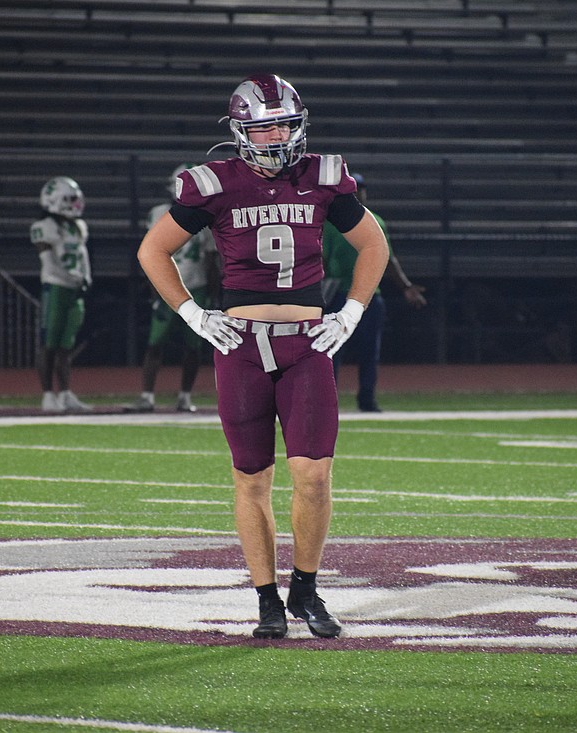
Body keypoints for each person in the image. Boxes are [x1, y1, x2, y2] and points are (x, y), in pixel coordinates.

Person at [136, 74, 389, 639]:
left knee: (315, 476)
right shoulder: (213, 183)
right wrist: (193, 314)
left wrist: (350, 312)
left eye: (285, 125)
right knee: (252, 478)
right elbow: (153, 249)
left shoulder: (323, 177)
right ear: (241, 131)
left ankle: (305, 587)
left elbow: (373, 244)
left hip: (307, 343)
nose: (277, 138)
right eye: (265, 127)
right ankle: (265, 601)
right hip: (241, 345)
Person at [322, 172, 427, 412]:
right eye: (354, 189)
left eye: (360, 189)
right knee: (332, 349)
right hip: (340, 294)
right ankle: (330, 401)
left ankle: (366, 399)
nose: (358, 193)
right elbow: (322, 261)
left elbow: (388, 259)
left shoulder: (376, 222)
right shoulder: (331, 224)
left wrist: (406, 287)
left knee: (369, 351)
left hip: (370, 295)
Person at [125, 164, 220, 414]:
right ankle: (147, 396)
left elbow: (211, 260)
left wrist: (213, 291)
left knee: (193, 347)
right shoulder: (159, 213)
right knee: (155, 344)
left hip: (197, 288)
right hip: (169, 288)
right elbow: (152, 252)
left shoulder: (209, 213)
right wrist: (155, 289)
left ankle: (184, 396)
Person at [32, 176, 93, 413]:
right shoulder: (44, 227)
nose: (74, 204)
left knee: (66, 346)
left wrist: (86, 277)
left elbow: (83, 255)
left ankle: (66, 394)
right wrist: (73, 278)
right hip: (56, 289)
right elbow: (49, 263)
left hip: (74, 290)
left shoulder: (77, 226)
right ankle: (48, 395)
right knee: (49, 344)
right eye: (68, 199)